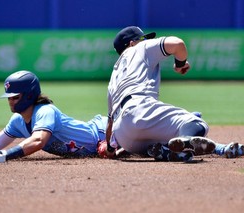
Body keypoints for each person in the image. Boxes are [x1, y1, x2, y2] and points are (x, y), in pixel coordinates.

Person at [99, 26, 244, 162]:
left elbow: (110, 123)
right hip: (140, 110)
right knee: (196, 124)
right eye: (143, 38)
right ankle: (184, 139)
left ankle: (215, 149)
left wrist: (111, 150)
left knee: (165, 139)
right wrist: (180, 64)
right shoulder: (139, 48)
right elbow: (178, 44)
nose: (146, 41)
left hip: (125, 137)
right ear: (131, 43)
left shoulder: (114, 75)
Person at [0, 70, 108, 160]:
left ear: (29, 95)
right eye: (9, 98)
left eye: (15, 97)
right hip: (94, 144)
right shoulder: (18, 120)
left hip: (104, 132)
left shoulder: (45, 111)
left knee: (124, 149)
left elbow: (38, 140)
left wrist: (7, 155)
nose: (11, 101)